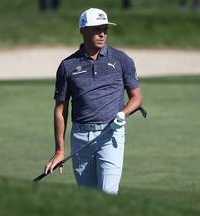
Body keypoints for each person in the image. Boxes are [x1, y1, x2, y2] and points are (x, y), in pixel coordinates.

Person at [44, 8, 143, 194]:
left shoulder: (122, 59)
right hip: (80, 138)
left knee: (107, 195)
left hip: (111, 135)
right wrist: (59, 151)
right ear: (83, 30)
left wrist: (123, 113)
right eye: (97, 29)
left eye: (105, 29)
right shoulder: (68, 65)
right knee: (89, 199)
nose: (102, 34)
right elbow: (60, 110)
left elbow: (137, 97)